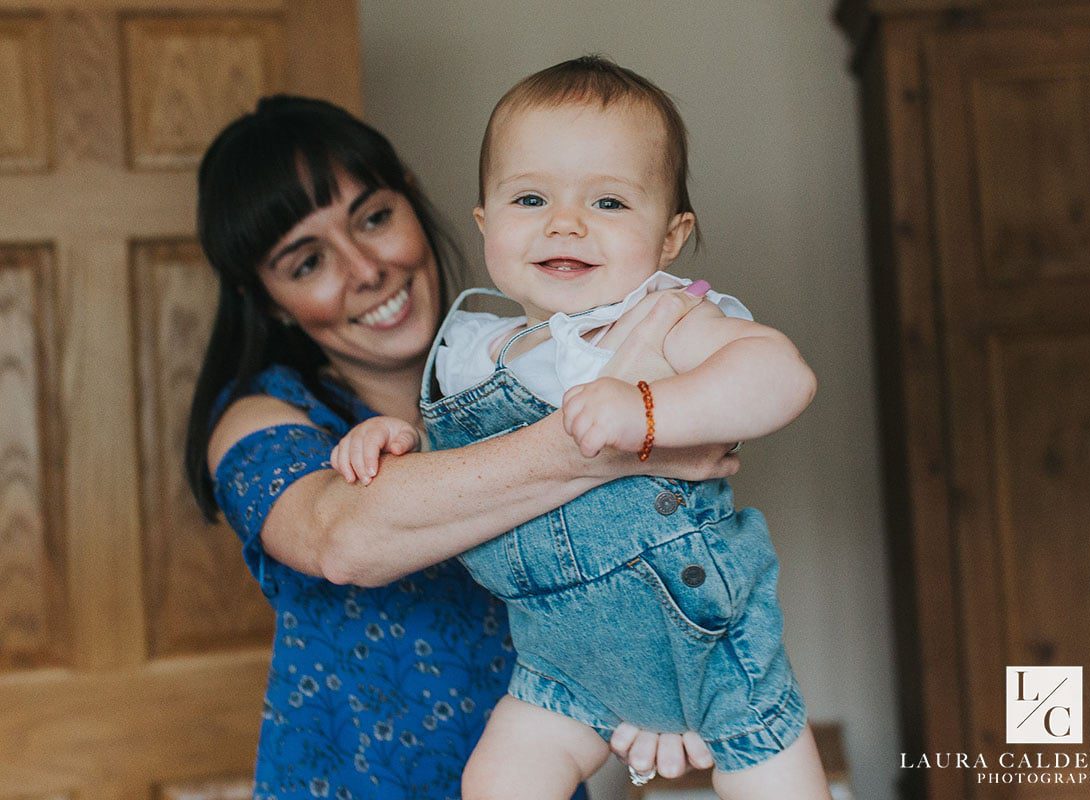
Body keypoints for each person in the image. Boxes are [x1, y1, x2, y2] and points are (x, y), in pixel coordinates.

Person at [184, 95, 739, 800]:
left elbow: (635, 560)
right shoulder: (261, 418)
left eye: (374, 219)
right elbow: (341, 538)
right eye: (307, 262)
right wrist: (609, 444)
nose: (365, 270)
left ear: (412, 201)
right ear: (266, 300)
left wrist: (667, 684)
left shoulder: (542, 371)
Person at [331, 57, 831, 800]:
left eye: (608, 202)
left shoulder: (665, 318)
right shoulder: (476, 347)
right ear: (486, 223)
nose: (565, 223)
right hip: (557, 657)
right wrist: (396, 439)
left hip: (700, 634)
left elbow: (782, 377)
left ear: (670, 236)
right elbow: (458, 470)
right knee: (496, 780)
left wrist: (650, 411)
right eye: (530, 198)